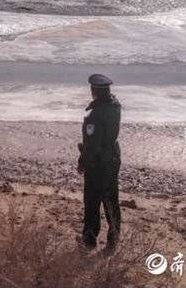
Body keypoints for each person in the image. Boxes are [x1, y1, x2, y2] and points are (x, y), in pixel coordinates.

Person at [77, 73, 121, 251]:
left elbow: (91, 145)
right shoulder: (115, 107)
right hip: (112, 158)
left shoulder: (95, 116)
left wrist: (82, 162)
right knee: (111, 198)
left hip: (97, 163)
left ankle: (89, 239)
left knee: (92, 200)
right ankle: (114, 236)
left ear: (94, 91)